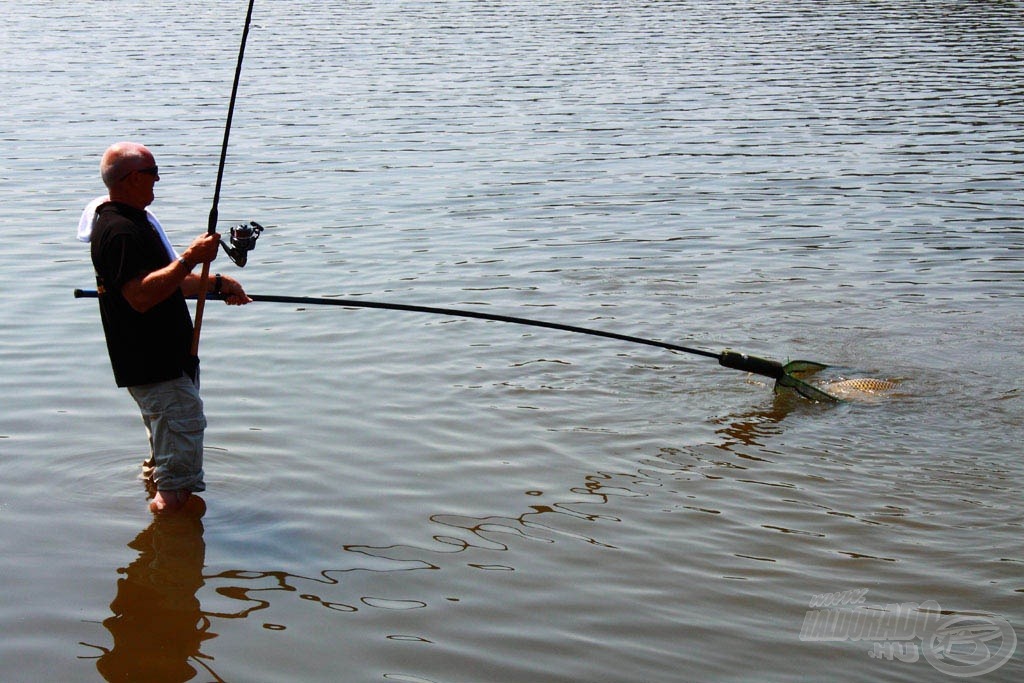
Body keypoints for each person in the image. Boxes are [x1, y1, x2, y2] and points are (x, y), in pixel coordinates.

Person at [88, 141, 251, 513]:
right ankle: (173, 527)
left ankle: (161, 564)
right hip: (154, 365)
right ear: (130, 179)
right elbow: (141, 295)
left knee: (164, 462)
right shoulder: (118, 231)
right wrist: (191, 257)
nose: (158, 179)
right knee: (177, 489)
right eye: (152, 172)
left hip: (164, 363)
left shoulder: (135, 222)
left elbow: (170, 282)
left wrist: (218, 284)